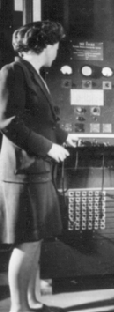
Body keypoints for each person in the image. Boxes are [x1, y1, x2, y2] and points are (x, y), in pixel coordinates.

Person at [0, 21, 78, 312]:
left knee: (36, 239)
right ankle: (18, 308)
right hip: (22, 172)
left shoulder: (34, 75)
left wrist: (66, 138)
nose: (58, 51)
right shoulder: (12, 73)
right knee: (27, 241)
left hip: (37, 169)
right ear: (42, 45)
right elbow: (8, 123)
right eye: (56, 45)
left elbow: (42, 122)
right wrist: (49, 147)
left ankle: (32, 301)